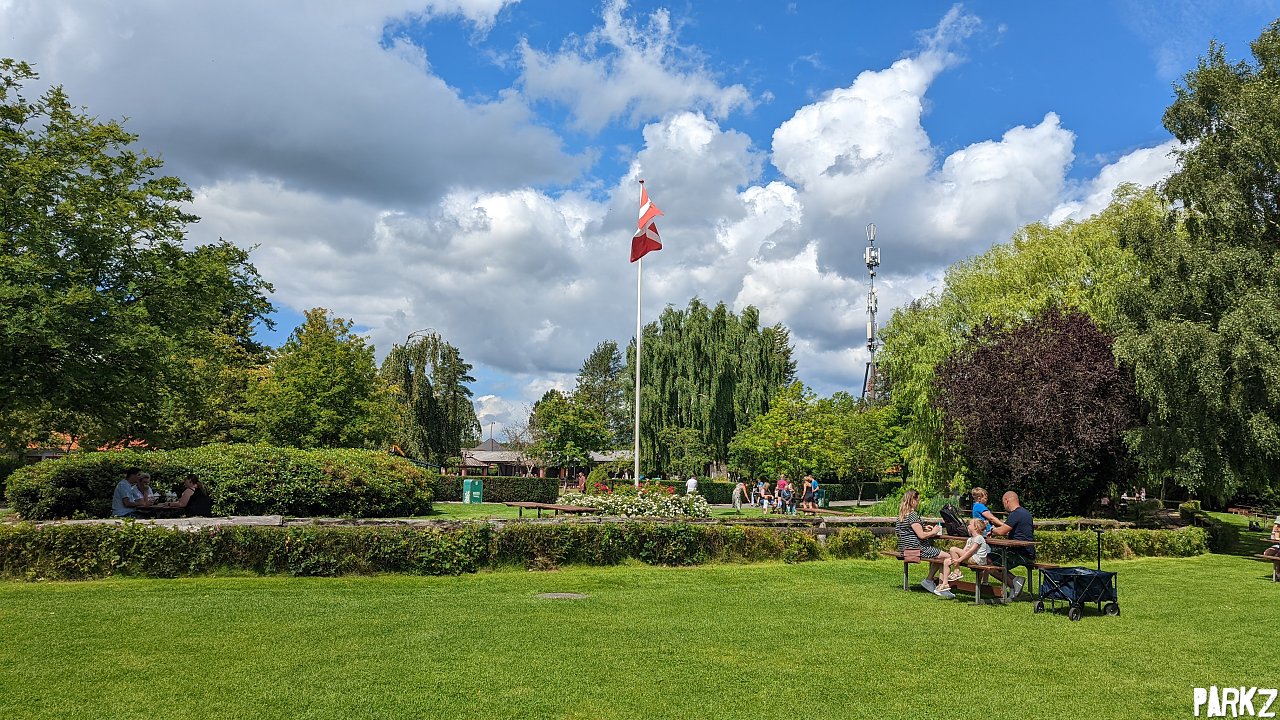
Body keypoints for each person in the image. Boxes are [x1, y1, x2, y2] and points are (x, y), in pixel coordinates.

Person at [895, 488, 954, 598]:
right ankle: (942, 586)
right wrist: (933, 532)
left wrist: (923, 527)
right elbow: (921, 535)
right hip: (918, 548)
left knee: (939, 556)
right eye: (918, 500)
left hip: (905, 548)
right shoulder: (912, 515)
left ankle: (929, 580)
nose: (918, 503)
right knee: (947, 557)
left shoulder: (902, 515)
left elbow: (908, 530)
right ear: (913, 500)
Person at [986, 490, 1034, 599]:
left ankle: (1013, 585)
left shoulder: (1016, 514)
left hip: (1022, 553)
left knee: (992, 567)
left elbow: (1002, 531)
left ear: (1007, 501)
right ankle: (1015, 583)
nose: (1004, 506)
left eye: (1003, 503)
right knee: (988, 559)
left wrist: (992, 530)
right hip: (1022, 550)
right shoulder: (1025, 513)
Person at [939, 518, 992, 593]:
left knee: (953, 549)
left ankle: (957, 571)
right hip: (970, 558)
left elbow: (970, 552)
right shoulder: (970, 539)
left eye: (969, 524)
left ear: (975, 527)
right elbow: (964, 551)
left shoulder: (979, 538)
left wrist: (959, 560)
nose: (967, 526)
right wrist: (957, 558)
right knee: (946, 561)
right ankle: (945, 583)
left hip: (977, 560)